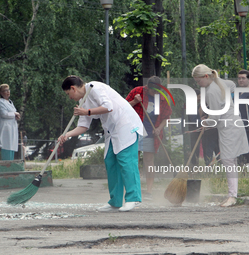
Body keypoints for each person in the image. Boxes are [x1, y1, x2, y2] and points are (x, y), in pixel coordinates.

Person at [58, 75, 144, 212]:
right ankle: (115, 201)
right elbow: (83, 126)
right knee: (110, 161)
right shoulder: (83, 102)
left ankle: (133, 198)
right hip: (111, 131)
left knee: (126, 161)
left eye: (68, 94)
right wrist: (66, 135)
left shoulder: (95, 87)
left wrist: (86, 112)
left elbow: (108, 107)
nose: (69, 98)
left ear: (73, 88)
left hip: (126, 125)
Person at [192, 64, 248, 207]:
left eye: (198, 81)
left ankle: (232, 196)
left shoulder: (211, 91)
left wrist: (206, 123)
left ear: (205, 76)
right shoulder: (220, 81)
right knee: (231, 160)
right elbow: (233, 85)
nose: (198, 84)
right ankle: (232, 194)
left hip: (229, 127)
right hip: (233, 123)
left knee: (228, 160)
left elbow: (216, 116)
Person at [125, 76, 172, 201]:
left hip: (151, 133)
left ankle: (149, 191)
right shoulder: (137, 92)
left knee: (149, 162)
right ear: (147, 87)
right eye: (152, 91)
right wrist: (135, 101)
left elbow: (166, 117)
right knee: (133, 160)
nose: (154, 93)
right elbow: (123, 108)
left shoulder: (163, 98)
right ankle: (133, 189)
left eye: (157, 91)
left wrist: (159, 128)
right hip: (135, 131)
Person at [0, 84, 20, 160]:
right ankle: (6, 162)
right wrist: (14, 114)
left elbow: (12, 113)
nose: (8, 92)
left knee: (12, 144)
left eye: (8, 90)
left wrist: (16, 116)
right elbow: (4, 114)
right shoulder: (0, 102)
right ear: (1, 93)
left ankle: (11, 162)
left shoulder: (10, 102)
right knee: (6, 144)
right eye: (5, 91)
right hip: (6, 126)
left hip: (12, 125)